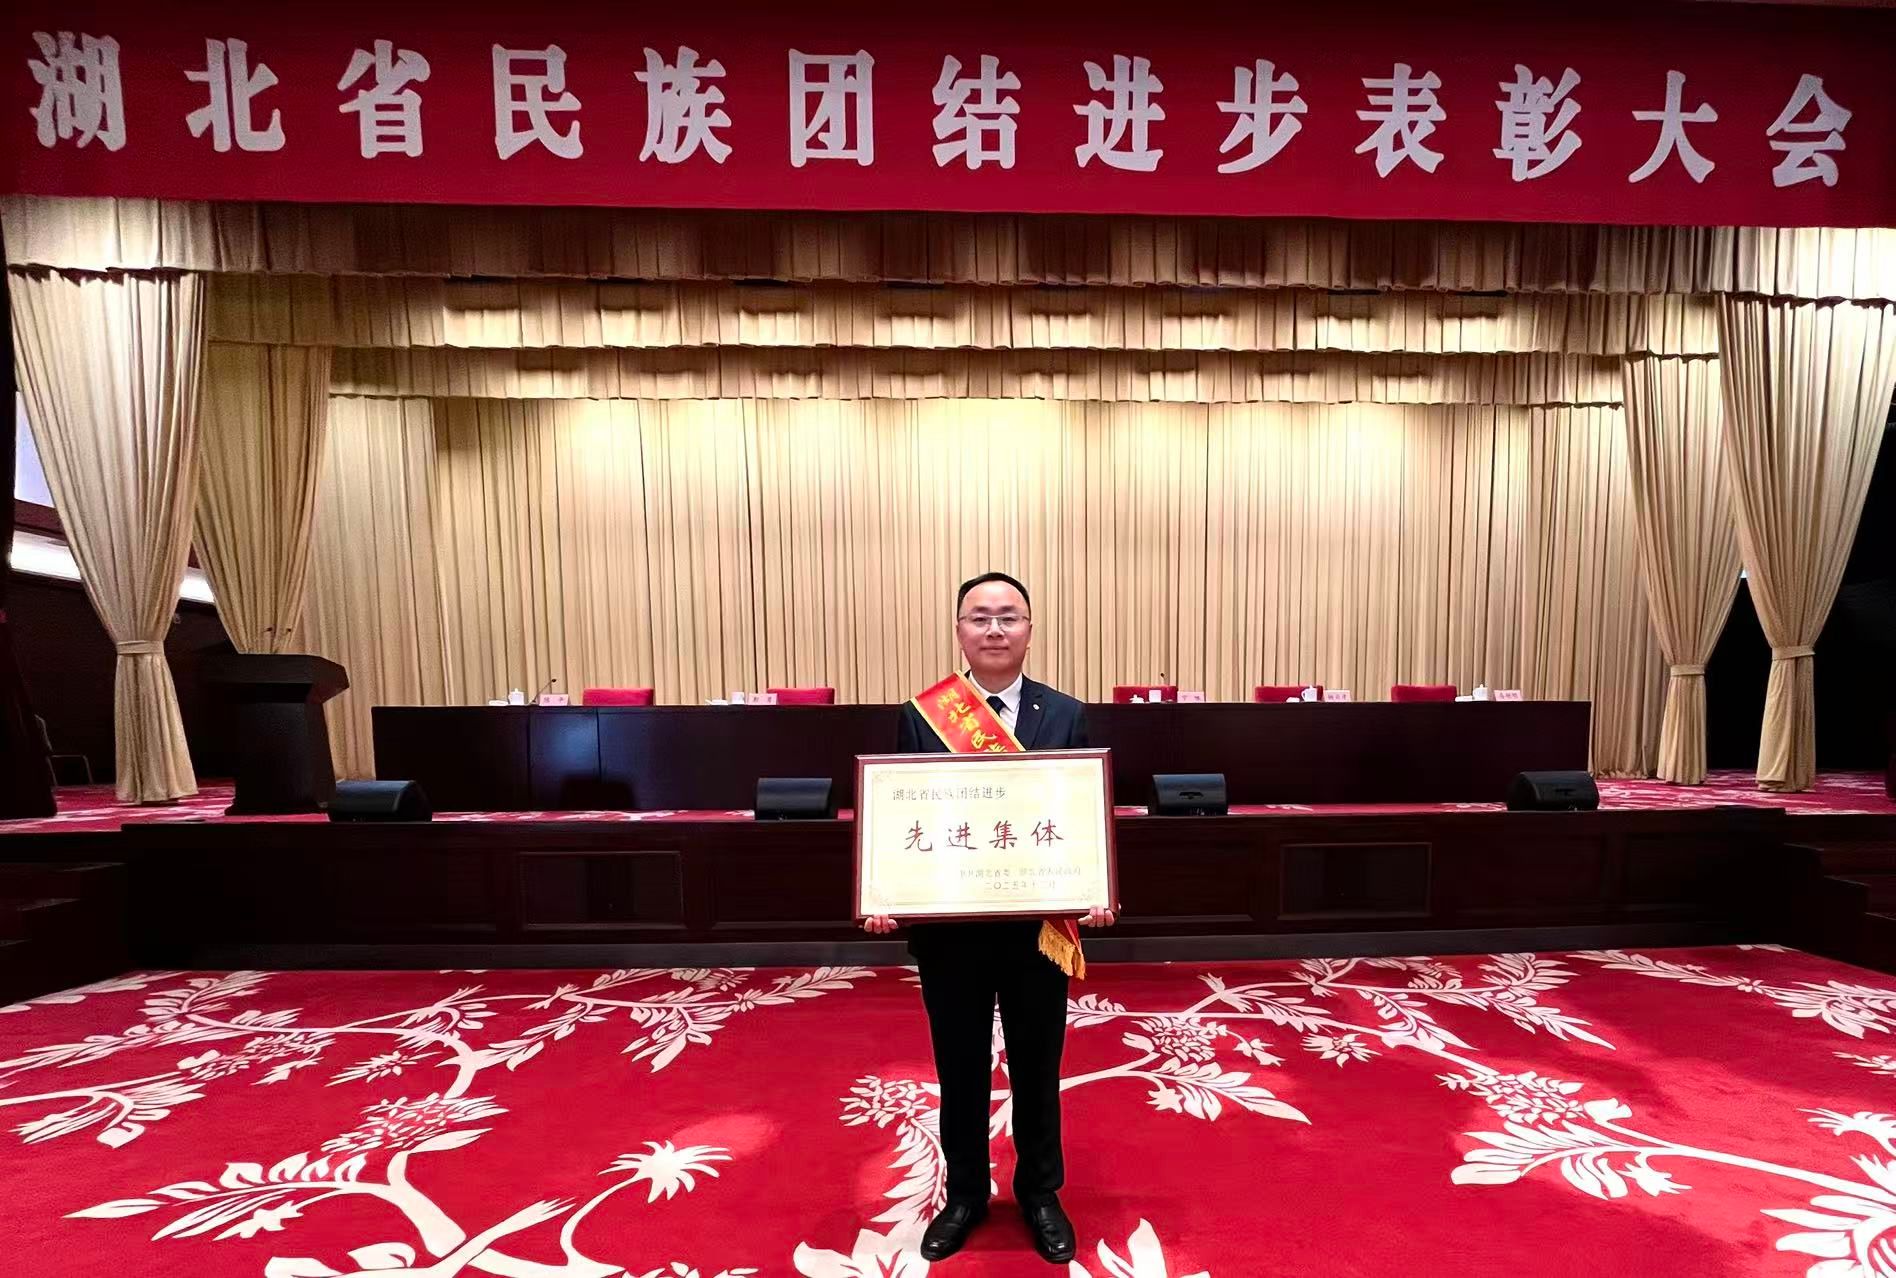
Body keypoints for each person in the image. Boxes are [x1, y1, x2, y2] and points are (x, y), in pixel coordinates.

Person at [864, 571, 1116, 1264]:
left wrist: (1093, 884)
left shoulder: (1064, 714)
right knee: (961, 1067)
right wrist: (885, 893)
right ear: (959, 631)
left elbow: (1079, 815)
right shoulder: (922, 715)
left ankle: (1040, 1193)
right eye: (980, 617)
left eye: (1009, 616)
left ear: (1029, 630)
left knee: (1038, 1066)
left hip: (1038, 929)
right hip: (953, 931)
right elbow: (901, 817)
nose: (995, 629)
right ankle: (967, 1195)